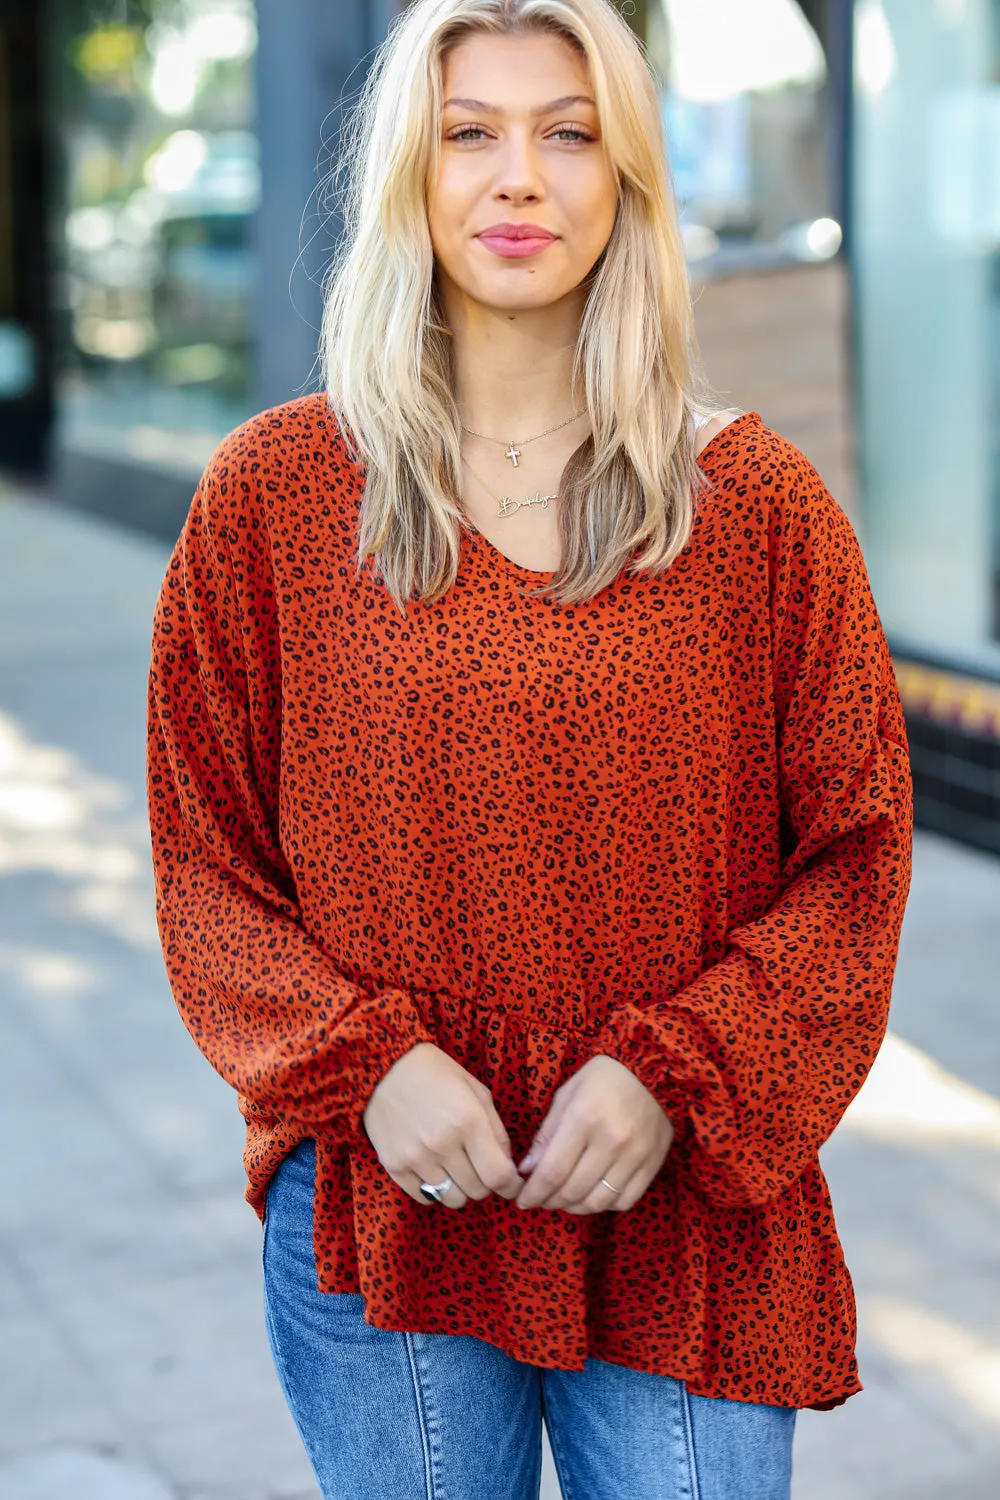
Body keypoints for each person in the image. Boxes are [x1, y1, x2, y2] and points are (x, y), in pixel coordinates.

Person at [144, 2, 914, 1497]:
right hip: (393, 1220)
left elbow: (859, 859)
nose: (518, 178)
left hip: (686, 1222)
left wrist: (672, 1078)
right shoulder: (273, 501)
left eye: (567, 134)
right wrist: (364, 1068)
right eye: (469, 134)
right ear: (408, 182)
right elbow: (205, 868)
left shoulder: (756, 510)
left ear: (626, 179)